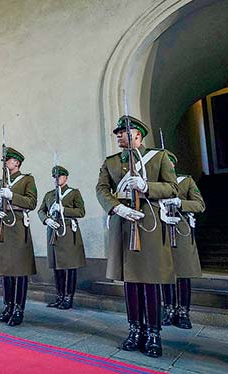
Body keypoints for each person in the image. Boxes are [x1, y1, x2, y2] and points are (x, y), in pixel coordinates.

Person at [96, 116, 179, 358]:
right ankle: (135, 330)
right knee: (131, 280)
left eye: (123, 132)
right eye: (118, 133)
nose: (118, 136)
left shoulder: (159, 157)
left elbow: (172, 188)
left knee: (151, 279)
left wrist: (146, 187)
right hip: (123, 221)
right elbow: (101, 188)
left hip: (149, 222)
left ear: (138, 135)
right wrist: (116, 207)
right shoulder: (111, 162)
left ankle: (154, 333)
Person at [0, 147, 37, 326]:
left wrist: (12, 196)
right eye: (4, 160)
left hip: (17, 228)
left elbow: (32, 202)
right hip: (2, 228)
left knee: (19, 271)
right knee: (6, 271)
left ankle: (18, 310)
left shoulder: (27, 180)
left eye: (8, 160)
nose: (5, 163)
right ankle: (7, 307)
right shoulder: (0, 183)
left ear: (16, 163)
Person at [160, 151, 205, 329]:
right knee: (165, 272)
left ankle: (183, 312)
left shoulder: (186, 181)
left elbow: (200, 205)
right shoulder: (155, 185)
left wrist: (181, 203)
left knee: (183, 272)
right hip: (162, 230)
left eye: (167, 164)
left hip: (181, 229)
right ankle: (169, 309)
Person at [38, 166, 86, 310]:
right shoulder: (49, 195)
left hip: (68, 232)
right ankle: (59, 296)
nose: (56, 179)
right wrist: (46, 220)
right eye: (54, 177)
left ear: (65, 178)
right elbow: (41, 210)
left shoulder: (73, 193)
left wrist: (64, 210)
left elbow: (81, 211)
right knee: (57, 266)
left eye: (59, 176)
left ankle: (68, 297)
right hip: (53, 231)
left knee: (70, 267)